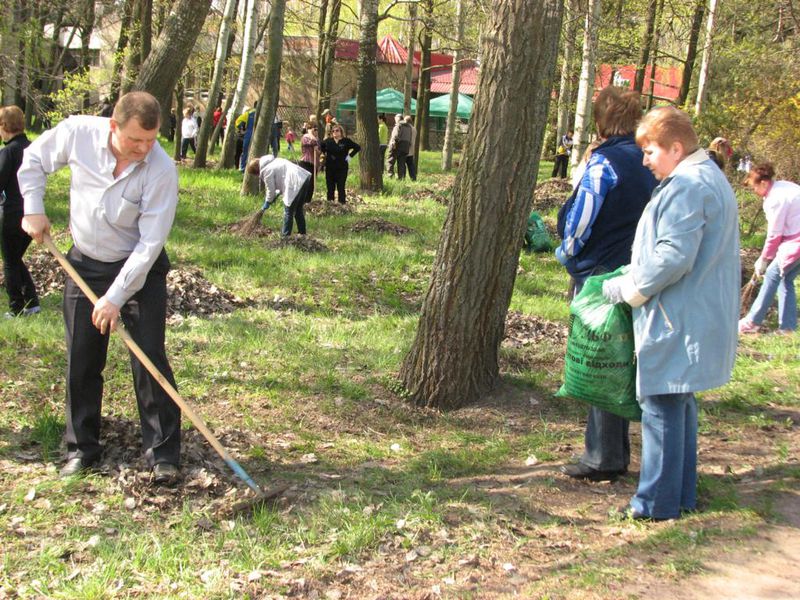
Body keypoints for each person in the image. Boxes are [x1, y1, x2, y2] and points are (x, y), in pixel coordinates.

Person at [18, 91, 182, 484]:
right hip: (84, 264)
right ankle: (81, 448)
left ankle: (163, 454)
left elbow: (149, 244)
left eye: (151, 139)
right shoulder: (78, 134)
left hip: (138, 271)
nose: (144, 148)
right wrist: (33, 207)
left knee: (148, 356)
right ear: (114, 126)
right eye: (135, 141)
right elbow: (34, 160)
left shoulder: (161, 170)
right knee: (82, 358)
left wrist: (115, 298)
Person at [602, 105, 739, 520]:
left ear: (675, 149)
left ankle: (653, 505)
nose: (645, 160)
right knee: (677, 403)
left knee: (661, 402)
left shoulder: (688, 185)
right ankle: (679, 495)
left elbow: (673, 257)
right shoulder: (707, 178)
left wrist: (629, 289)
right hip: (690, 312)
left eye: (651, 151)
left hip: (676, 314)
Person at [556, 87, 657, 483]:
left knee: (600, 362)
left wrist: (567, 253)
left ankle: (602, 457)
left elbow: (583, 217)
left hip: (601, 274)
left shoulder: (605, 162)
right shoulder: (646, 162)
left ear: (601, 118)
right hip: (638, 271)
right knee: (623, 361)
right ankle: (614, 452)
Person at [739, 163, 800, 334]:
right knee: (784, 279)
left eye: (754, 187)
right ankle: (787, 328)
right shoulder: (784, 187)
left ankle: (752, 321)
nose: (754, 192)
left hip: (796, 241)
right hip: (794, 240)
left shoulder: (775, 199)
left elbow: (775, 234)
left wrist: (764, 259)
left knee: (772, 276)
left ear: (764, 183)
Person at [0, 105, 40, 318]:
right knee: (16, 258)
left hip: (13, 214)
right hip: (34, 212)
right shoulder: (32, 148)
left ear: (4, 126)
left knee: (10, 262)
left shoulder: (9, 151)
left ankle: (16, 307)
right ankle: (32, 302)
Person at [247, 155, 313, 237]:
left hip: (294, 182)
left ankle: (285, 237)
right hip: (303, 178)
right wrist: (275, 195)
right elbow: (279, 180)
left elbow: (270, 190)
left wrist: (267, 202)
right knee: (298, 209)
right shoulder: (274, 160)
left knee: (288, 211)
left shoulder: (266, 171)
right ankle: (302, 233)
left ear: (256, 170)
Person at [319, 124, 360, 204]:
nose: (335, 132)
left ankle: (342, 205)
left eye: (337, 130)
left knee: (341, 187)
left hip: (342, 168)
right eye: (333, 131)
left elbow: (357, 147)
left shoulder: (346, 141)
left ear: (341, 132)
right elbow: (321, 147)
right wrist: (323, 154)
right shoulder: (328, 141)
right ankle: (330, 204)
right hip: (330, 168)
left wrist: (349, 156)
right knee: (330, 188)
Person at [386, 114, 412, 179]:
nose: (394, 118)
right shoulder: (409, 127)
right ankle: (401, 178)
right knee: (401, 163)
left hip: (397, 145)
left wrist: (393, 144)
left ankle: (390, 176)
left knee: (390, 160)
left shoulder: (398, 125)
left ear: (398, 118)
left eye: (395, 117)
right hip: (405, 147)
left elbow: (395, 136)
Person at [298, 123, 320, 195]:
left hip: (314, 164)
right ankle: (302, 202)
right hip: (306, 163)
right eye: (315, 129)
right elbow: (313, 142)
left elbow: (319, 151)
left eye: (317, 129)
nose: (316, 131)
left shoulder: (317, 139)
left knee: (311, 185)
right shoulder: (306, 136)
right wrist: (310, 133)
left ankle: (308, 202)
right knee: (305, 184)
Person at [404, 115, 418, 181]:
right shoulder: (414, 128)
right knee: (410, 165)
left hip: (406, 148)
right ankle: (413, 178)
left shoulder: (407, 128)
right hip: (411, 149)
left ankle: (402, 178)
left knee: (402, 164)